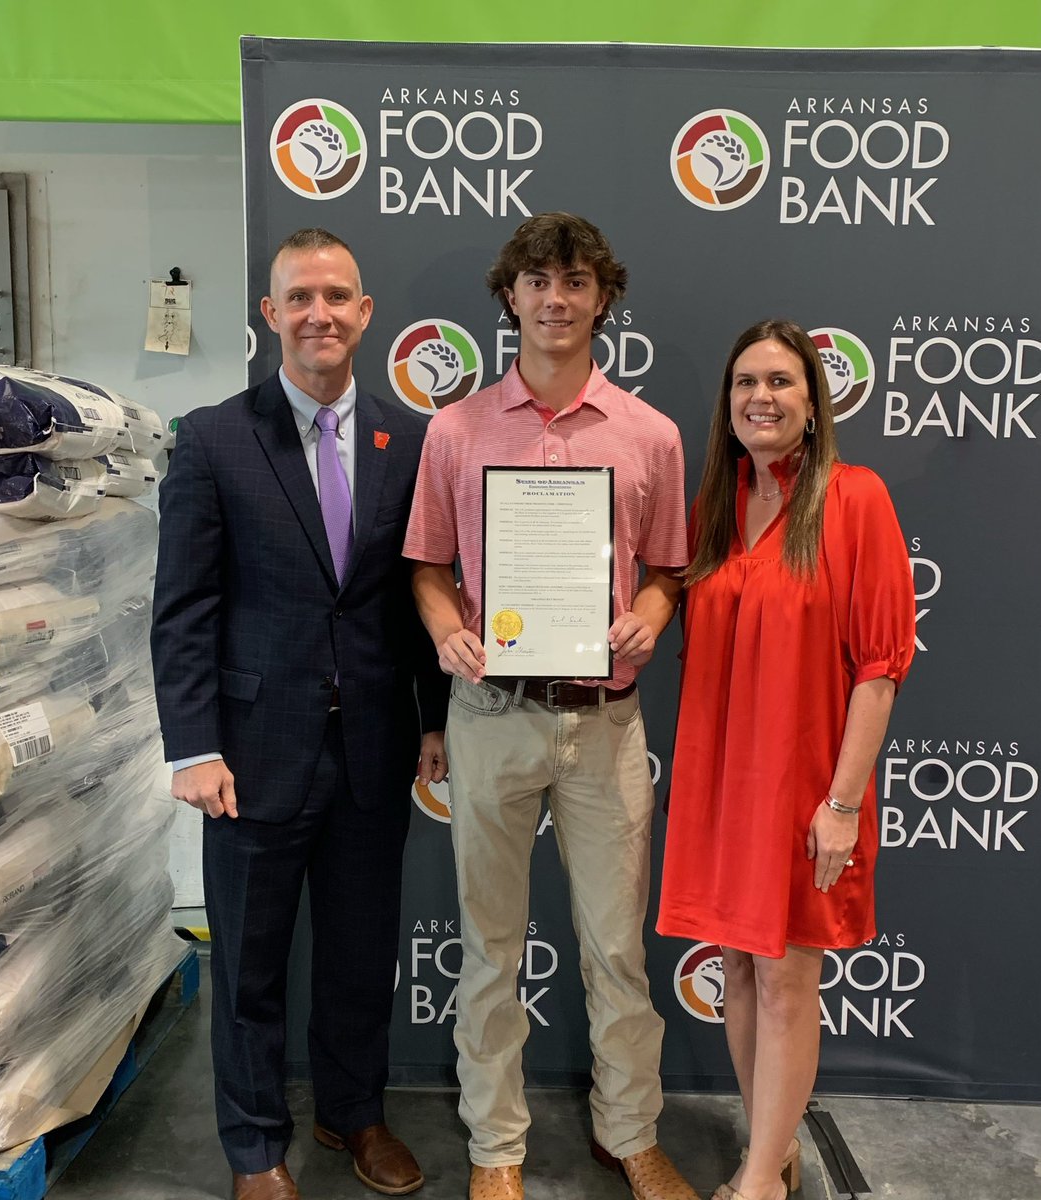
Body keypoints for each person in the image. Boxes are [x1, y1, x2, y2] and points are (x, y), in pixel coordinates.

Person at [151, 228, 448, 1200]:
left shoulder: (411, 442)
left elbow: (419, 593)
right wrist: (193, 746)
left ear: (365, 313)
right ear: (270, 313)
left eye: (337, 296)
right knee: (248, 966)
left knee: (361, 957)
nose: (320, 313)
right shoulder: (213, 440)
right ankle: (254, 1148)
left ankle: (353, 1113)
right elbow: (184, 609)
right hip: (249, 754)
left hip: (372, 748)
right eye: (300, 297)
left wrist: (435, 719)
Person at [404, 213, 695, 1200]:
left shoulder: (651, 436)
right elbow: (428, 568)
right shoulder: (456, 430)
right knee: (489, 948)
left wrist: (650, 615)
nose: (555, 299)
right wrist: (446, 628)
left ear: (602, 298)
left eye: (574, 281)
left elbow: (668, 571)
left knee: (616, 947)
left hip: (605, 724)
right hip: (491, 714)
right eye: (537, 281)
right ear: (511, 296)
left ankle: (631, 1133)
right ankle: (496, 1148)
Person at [657, 320, 915, 1200]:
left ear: (813, 401)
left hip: (807, 788)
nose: (759, 398)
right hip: (721, 784)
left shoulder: (854, 498)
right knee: (735, 966)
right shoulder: (715, 506)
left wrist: (841, 804)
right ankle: (769, 1145)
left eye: (779, 382)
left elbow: (879, 669)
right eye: (744, 383)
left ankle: (762, 1175)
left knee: (785, 979)